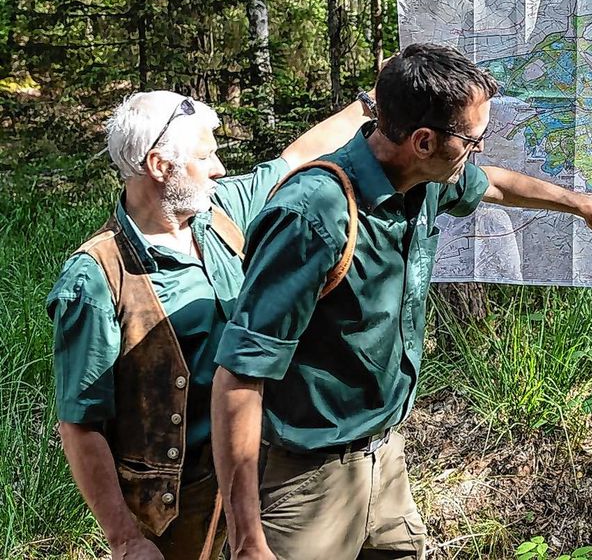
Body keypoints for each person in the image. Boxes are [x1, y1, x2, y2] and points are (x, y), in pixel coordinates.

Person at [211, 43, 592, 560]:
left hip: (384, 460)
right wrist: (246, 538)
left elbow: (497, 187)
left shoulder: (424, 179)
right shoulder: (313, 216)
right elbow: (239, 378)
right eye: (473, 141)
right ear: (423, 140)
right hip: (305, 482)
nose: (477, 153)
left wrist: (579, 204)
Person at [47, 88, 375, 559]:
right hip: (178, 508)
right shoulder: (97, 277)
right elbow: (80, 425)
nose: (220, 167)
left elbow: (297, 157)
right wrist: (124, 539)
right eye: (206, 156)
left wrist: (369, 103)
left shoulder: (217, 212)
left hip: (261, 473)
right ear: (159, 167)